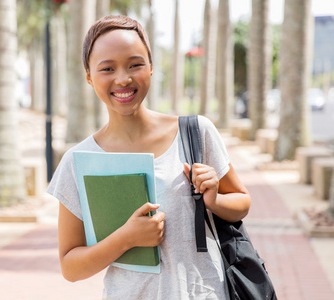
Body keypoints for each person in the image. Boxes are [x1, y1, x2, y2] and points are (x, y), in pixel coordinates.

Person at [47, 15, 251, 299]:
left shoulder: (194, 132)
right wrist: (126, 238)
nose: (123, 78)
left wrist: (214, 200)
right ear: (89, 76)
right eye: (107, 68)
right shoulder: (79, 160)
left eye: (135, 64)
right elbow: (71, 266)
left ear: (152, 67)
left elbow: (241, 203)